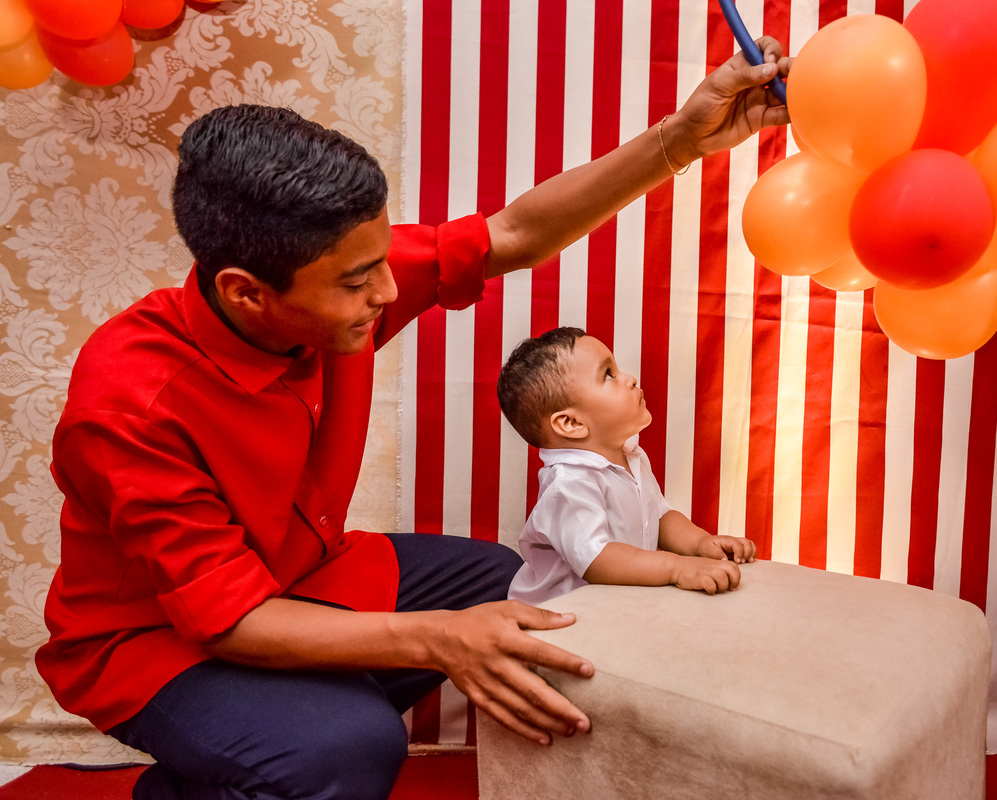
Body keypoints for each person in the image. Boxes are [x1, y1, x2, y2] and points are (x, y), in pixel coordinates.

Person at [36, 37, 792, 800]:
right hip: (156, 640)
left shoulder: (334, 283)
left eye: (383, 262)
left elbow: (512, 236)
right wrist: (432, 641)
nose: (390, 293)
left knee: (518, 588)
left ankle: (247, 753)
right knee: (352, 746)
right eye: (360, 280)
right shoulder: (131, 403)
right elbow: (228, 621)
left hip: (296, 574)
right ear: (246, 293)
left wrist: (681, 139)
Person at [498, 327, 757, 606]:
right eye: (609, 375)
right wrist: (677, 567)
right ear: (572, 424)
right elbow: (598, 559)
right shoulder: (569, 483)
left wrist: (701, 544)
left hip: (614, 603)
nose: (630, 379)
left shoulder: (630, 454)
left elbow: (660, 516)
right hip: (560, 614)